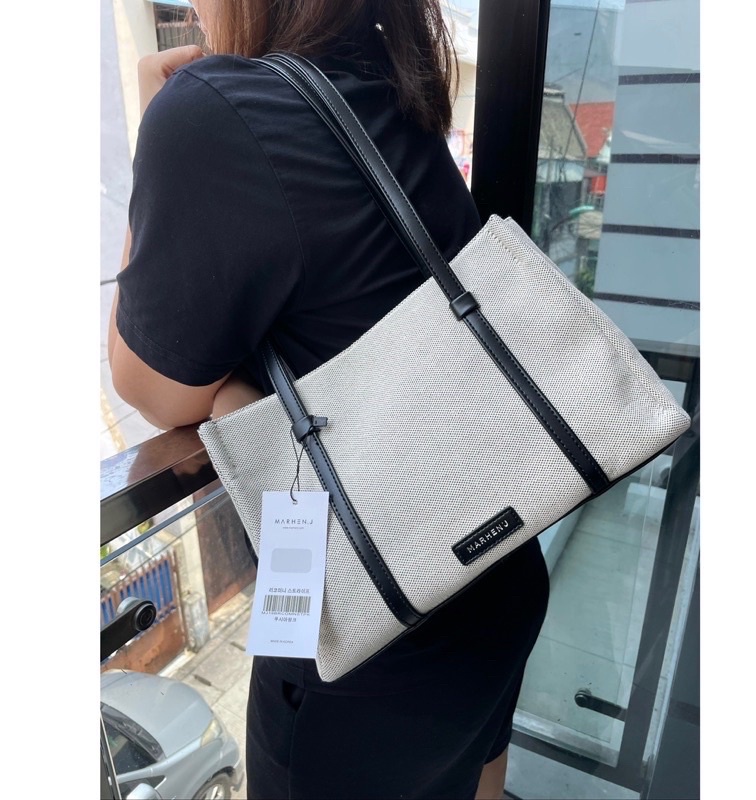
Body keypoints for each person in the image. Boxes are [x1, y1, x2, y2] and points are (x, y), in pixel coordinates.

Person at [108, 2, 550, 797]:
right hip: (497, 573)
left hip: (371, 634)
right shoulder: (393, 84)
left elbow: (148, 386)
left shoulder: (210, 112)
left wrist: (153, 136)